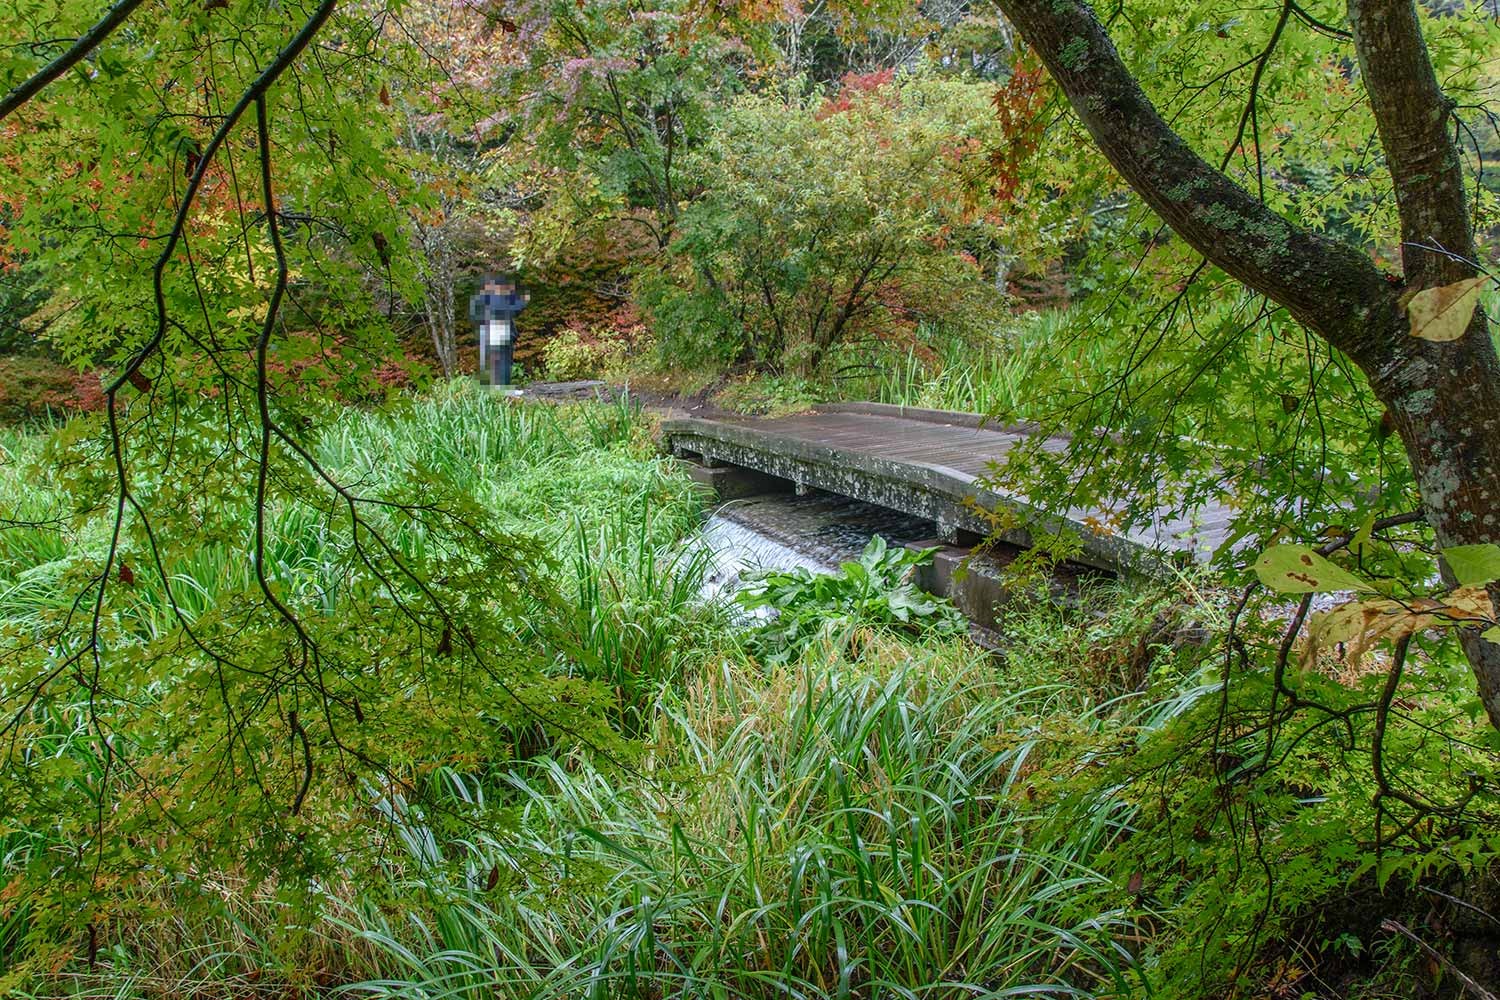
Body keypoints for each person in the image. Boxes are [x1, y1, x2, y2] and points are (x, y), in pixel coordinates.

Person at [468, 275, 529, 386]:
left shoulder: (479, 299)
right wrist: (522, 302)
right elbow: (511, 310)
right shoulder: (497, 298)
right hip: (498, 330)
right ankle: (502, 387)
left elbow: (473, 317)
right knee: (503, 360)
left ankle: (491, 387)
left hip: (485, 332)